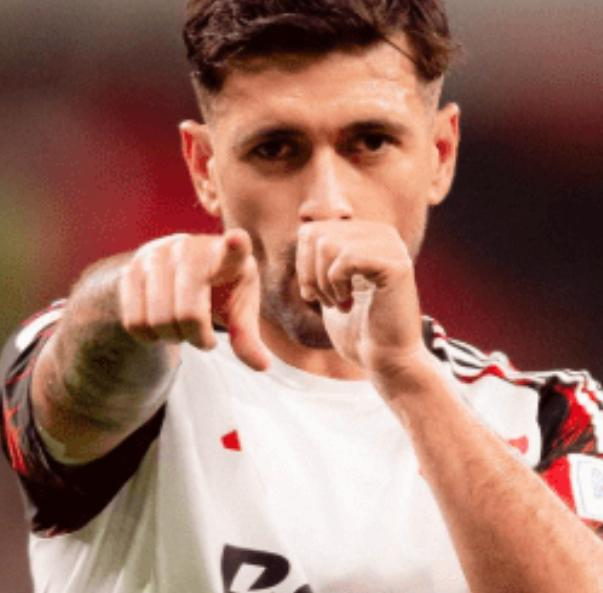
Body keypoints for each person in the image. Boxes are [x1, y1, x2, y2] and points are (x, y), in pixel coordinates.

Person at [2, 1, 603, 591]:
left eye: (371, 142)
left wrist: (407, 377)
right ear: (205, 168)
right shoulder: (149, 393)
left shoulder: (551, 418)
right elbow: (82, 385)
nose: (326, 202)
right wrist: (126, 298)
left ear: (440, 155)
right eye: (275, 149)